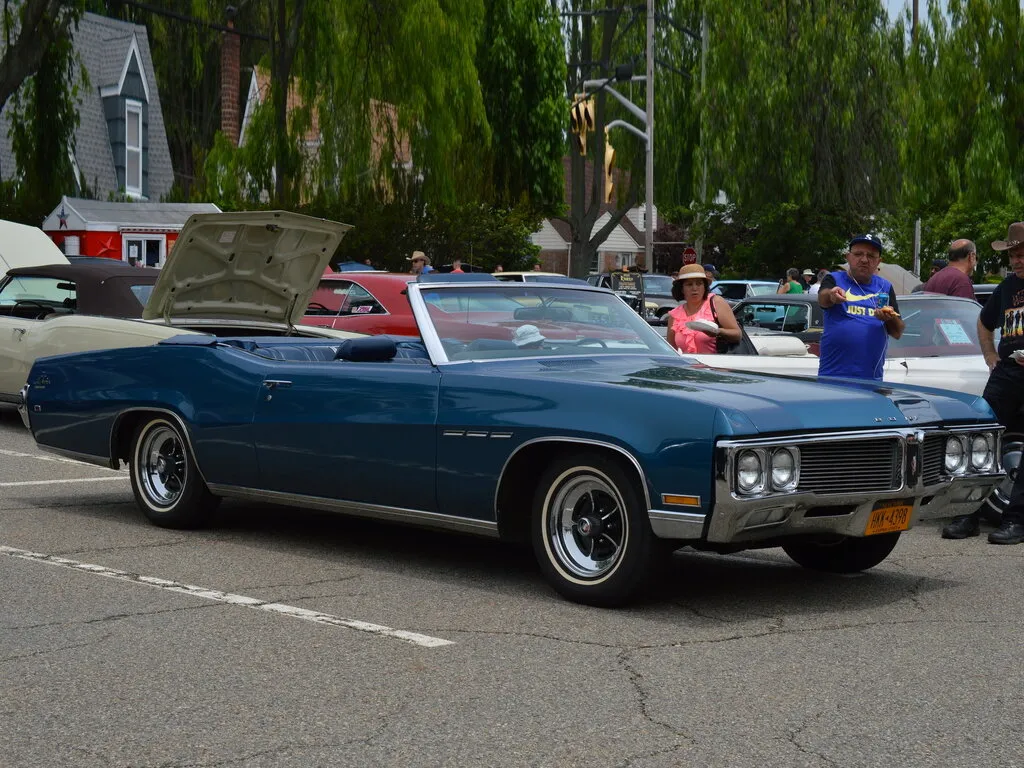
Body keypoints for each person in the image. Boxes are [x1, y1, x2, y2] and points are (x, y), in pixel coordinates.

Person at [942, 222, 1024, 544]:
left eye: (1021, 254)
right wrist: (990, 355)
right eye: (1013, 255)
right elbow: (984, 321)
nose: (1017, 260)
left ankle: (1016, 520)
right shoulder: (1005, 288)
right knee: (983, 437)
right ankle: (969, 514)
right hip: (1007, 371)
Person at [816, 234, 904, 380]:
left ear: (878, 262)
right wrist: (832, 296)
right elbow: (822, 300)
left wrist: (888, 319)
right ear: (848, 257)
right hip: (833, 377)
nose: (864, 260)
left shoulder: (885, 287)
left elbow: (897, 332)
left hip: (871, 380)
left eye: (871, 256)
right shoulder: (834, 279)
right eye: (858, 254)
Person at [666, 263, 741, 354]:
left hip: (715, 366)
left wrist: (718, 332)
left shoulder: (716, 302)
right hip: (686, 367)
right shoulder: (674, 315)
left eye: (699, 284)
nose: (694, 288)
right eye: (689, 284)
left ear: (705, 287)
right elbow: (671, 351)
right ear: (682, 289)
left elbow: (737, 334)